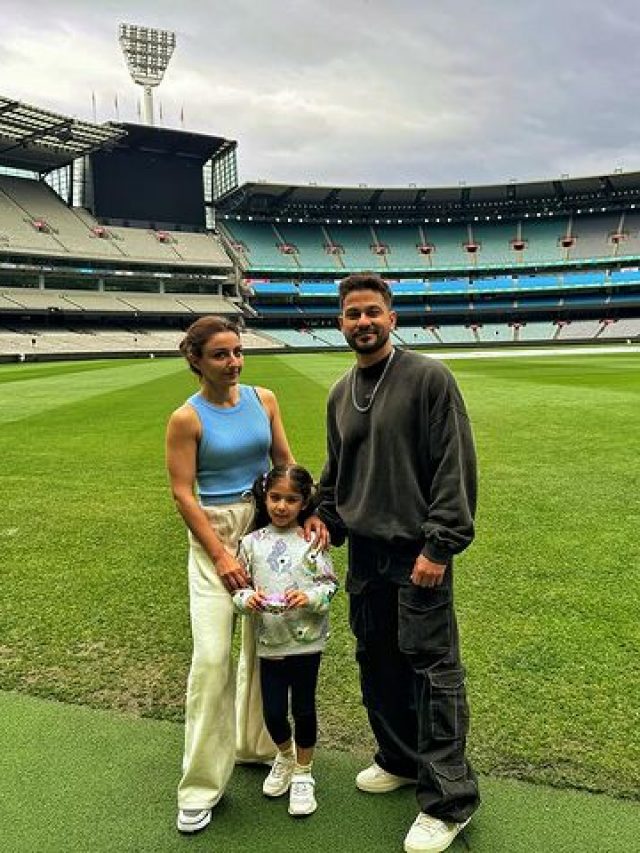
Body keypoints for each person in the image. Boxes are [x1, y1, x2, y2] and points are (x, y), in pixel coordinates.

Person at [316, 273, 480, 853]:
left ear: (392, 317)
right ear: (340, 323)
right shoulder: (340, 392)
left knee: (432, 675)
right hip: (365, 555)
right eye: (352, 314)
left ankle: (448, 801)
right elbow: (337, 476)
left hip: (417, 554)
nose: (362, 322)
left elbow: (452, 465)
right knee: (377, 664)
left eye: (372, 312)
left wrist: (440, 546)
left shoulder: (429, 378)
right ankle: (402, 760)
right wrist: (323, 519)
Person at [166, 316, 326, 834]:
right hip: (215, 533)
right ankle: (199, 787)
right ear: (196, 360)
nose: (234, 362)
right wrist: (221, 554)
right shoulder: (185, 419)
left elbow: (285, 463)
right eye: (220, 354)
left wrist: (308, 511)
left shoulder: (265, 398)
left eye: (237, 351)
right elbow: (183, 493)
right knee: (212, 657)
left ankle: (260, 748)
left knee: (269, 646)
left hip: (265, 524)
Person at [233, 464, 338, 818]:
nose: (281, 506)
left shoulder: (313, 540)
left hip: (307, 643)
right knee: (274, 711)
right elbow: (238, 589)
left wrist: (309, 598)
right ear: (265, 498)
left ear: (304, 501)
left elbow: (329, 585)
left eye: (291, 499)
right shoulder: (250, 543)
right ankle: (285, 755)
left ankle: (304, 774)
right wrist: (247, 600)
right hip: (269, 642)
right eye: (275, 497)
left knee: (304, 708)